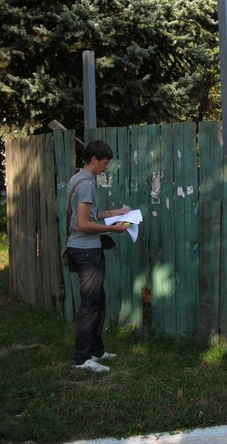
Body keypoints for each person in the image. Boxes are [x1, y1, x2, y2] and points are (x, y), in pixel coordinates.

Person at [66, 140, 129, 372]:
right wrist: (113, 229)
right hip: (86, 251)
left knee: (98, 301)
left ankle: (96, 350)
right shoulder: (86, 185)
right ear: (93, 160)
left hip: (84, 249)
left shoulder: (78, 179)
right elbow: (83, 224)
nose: (106, 167)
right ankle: (82, 358)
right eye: (104, 162)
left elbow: (87, 214)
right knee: (90, 305)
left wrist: (114, 213)